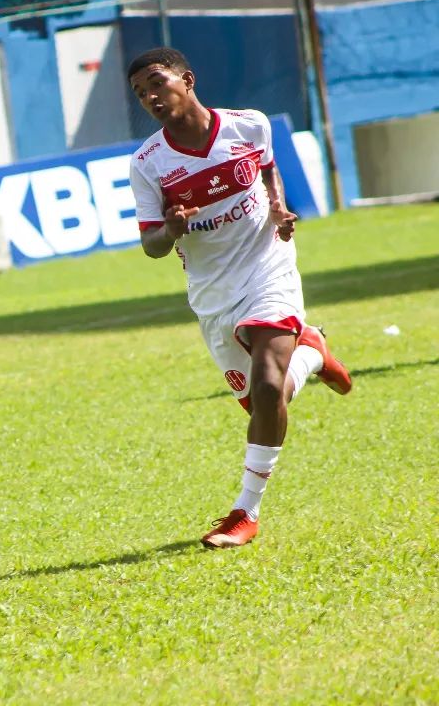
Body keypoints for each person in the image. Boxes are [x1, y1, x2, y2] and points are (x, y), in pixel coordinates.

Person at [126, 48, 352, 548]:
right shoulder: (146, 164)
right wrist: (170, 228)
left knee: (268, 387)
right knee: (262, 405)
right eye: (141, 93)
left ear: (187, 79)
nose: (150, 97)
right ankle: (312, 353)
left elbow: (269, 169)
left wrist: (278, 208)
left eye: (157, 83)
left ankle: (243, 514)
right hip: (212, 294)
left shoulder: (247, 126)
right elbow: (151, 247)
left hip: (267, 265)